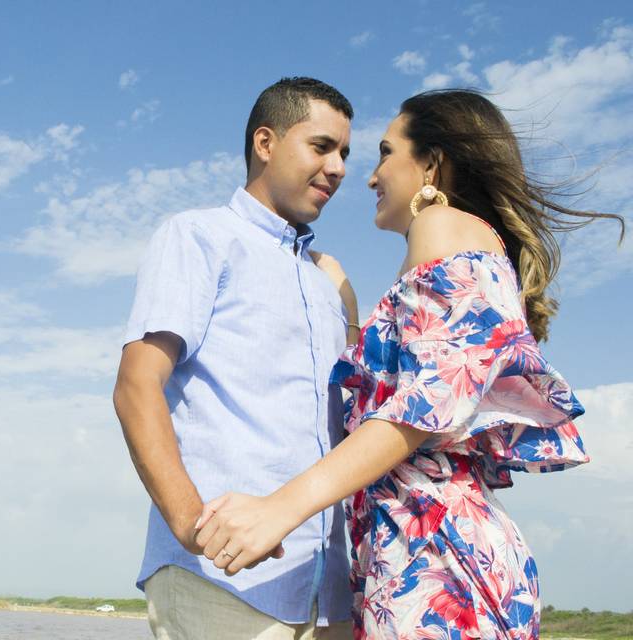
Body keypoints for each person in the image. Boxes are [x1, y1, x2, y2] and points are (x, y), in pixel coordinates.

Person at [193, 89, 625, 639]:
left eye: (384, 152)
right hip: (418, 547)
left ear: (432, 164)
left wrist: (282, 507)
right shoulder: (459, 245)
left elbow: (428, 403)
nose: (369, 177)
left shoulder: (439, 224)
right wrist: (350, 316)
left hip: (435, 556)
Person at [113, 77, 357, 639]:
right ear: (265, 144)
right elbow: (136, 385)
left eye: (344, 152)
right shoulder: (198, 236)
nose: (339, 167)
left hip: (331, 591)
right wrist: (191, 525)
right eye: (321, 147)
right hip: (223, 581)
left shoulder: (326, 280)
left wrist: (347, 307)